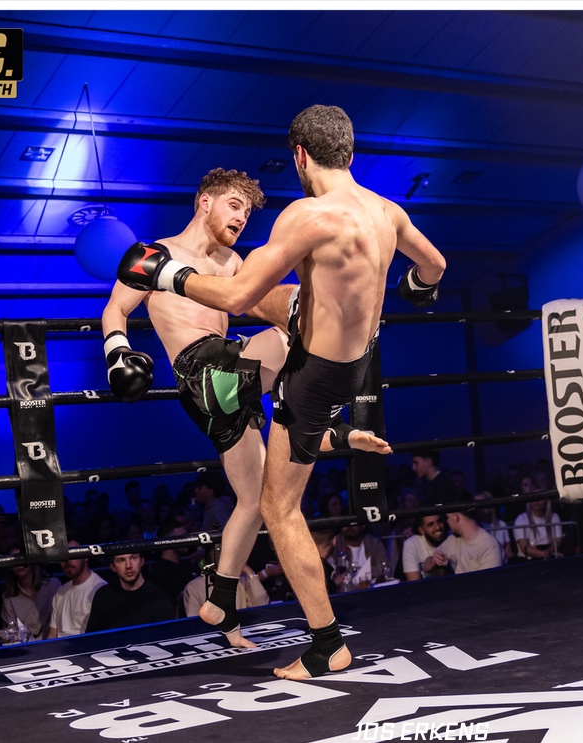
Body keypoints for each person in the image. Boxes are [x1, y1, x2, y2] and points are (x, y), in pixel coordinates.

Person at [116, 105, 444, 679]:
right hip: (337, 367)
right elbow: (435, 264)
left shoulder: (305, 215)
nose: (242, 216)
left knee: (275, 505)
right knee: (293, 310)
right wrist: (417, 285)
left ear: (300, 155)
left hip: (297, 373)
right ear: (349, 152)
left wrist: (167, 275)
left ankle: (326, 644)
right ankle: (222, 598)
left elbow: (236, 299)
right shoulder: (387, 211)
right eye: (234, 205)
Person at [103, 166, 389, 650]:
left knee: (256, 500)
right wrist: (117, 353)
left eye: (248, 212)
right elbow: (116, 308)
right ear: (205, 201)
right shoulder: (158, 255)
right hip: (203, 371)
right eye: (234, 205)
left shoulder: (233, 262)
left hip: (229, 388)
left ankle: (220, 600)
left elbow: (251, 302)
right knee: (297, 335)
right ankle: (331, 422)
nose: (241, 217)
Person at [84, 552, 176, 633]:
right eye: (121, 560)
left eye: (133, 558)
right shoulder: (103, 596)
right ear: (113, 566)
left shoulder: (159, 598)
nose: (128, 566)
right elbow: (92, 638)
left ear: (142, 561)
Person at [47, 541, 107, 638]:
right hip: (60, 646)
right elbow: (52, 634)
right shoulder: (60, 592)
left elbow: (101, 637)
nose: (68, 562)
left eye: (73, 555)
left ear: (85, 556)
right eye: (63, 557)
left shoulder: (100, 590)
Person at [1, 549, 61, 640]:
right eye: (15, 561)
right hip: (24, 644)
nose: (19, 564)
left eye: (21, 559)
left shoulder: (53, 585)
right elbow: (10, 630)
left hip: (52, 640)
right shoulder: (9, 597)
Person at [426, 510, 503, 576]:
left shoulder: (489, 546)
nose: (447, 521)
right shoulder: (453, 540)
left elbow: (488, 583)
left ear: (456, 518)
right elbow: (425, 566)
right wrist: (433, 560)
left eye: (448, 517)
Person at [402, 514, 451, 581]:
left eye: (439, 521)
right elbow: (414, 582)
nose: (438, 527)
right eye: (431, 524)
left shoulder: (452, 538)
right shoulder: (411, 544)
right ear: (421, 530)